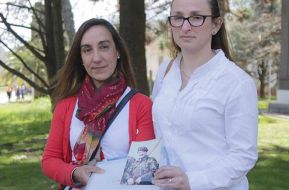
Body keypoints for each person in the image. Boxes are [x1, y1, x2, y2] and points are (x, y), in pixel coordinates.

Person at [152, 0, 258, 189]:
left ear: (216, 25)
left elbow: (243, 156)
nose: (185, 26)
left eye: (196, 18)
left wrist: (192, 181)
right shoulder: (165, 71)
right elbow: (158, 134)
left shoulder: (237, 83)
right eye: (178, 17)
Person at [41, 18, 155, 190]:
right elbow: (49, 161)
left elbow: (143, 172)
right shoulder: (65, 107)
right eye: (87, 50)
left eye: (104, 47)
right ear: (80, 58)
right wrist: (75, 173)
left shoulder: (141, 105)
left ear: (118, 51)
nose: (96, 58)